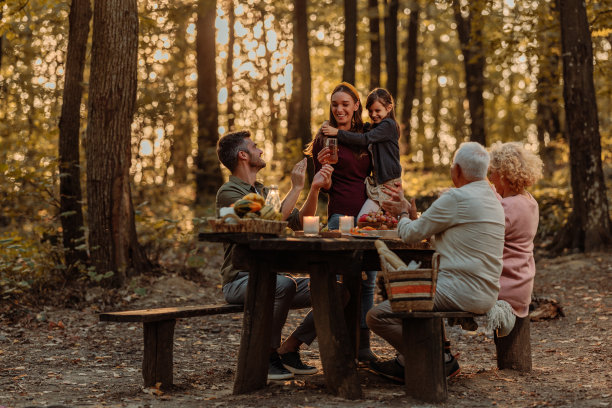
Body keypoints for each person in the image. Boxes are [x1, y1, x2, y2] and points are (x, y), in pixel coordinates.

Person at [367, 142, 505, 383]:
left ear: (457, 171)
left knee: (377, 316)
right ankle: (421, 357)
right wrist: (410, 214)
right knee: (425, 288)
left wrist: (401, 213)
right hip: (486, 290)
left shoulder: (457, 197)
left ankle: (432, 357)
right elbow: (433, 227)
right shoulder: (492, 198)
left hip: (460, 290)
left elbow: (410, 235)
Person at [216, 130, 334, 381]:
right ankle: (266, 356)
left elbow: (300, 223)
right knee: (282, 285)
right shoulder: (229, 193)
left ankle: (290, 348)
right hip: (239, 281)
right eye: (254, 146)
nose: (260, 150)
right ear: (243, 155)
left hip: (275, 278)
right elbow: (271, 222)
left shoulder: (262, 191)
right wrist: (296, 187)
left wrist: (312, 189)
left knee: (336, 289)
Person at [305, 82, 379, 364]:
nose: (339, 109)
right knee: (340, 284)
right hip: (340, 217)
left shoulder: (367, 135)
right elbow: (322, 186)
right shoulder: (324, 138)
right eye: (335, 104)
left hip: (368, 218)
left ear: (356, 106)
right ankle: (335, 345)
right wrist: (324, 168)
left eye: (345, 104)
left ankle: (363, 347)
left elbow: (381, 172)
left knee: (368, 282)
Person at [321, 87, 402, 218]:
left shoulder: (388, 125)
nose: (373, 114)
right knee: (380, 220)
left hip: (388, 184)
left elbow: (365, 139)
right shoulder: (377, 127)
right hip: (380, 183)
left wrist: (337, 132)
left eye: (377, 110)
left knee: (363, 220)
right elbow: (366, 130)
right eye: (370, 111)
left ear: (389, 108)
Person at [488, 142, 543, 319]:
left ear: (503, 175)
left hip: (506, 287)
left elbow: (482, 232)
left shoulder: (507, 207)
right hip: (522, 283)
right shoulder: (529, 201)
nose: (490, 179)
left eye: (492, 174)